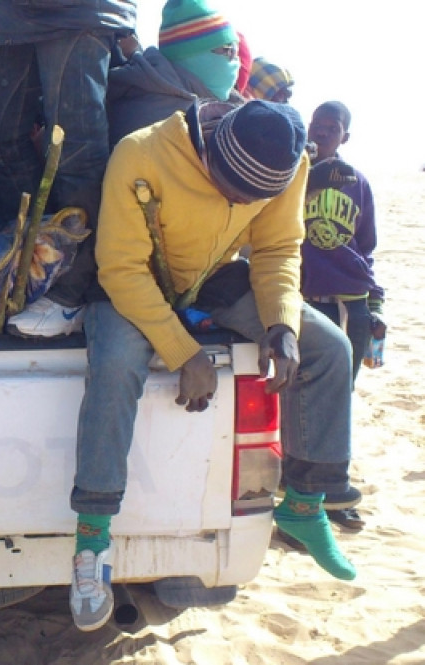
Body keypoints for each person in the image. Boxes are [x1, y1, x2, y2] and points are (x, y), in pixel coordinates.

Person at [69, 100, 357, 632]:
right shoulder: (143, 153)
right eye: (231, 189)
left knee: (329, 348)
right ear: (213, 149)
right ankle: (92, 540)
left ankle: (304, 502)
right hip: (132, 283)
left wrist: (282, 326)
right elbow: (121, 269)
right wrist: (186, 353)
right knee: (113, 365)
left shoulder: (289, 164)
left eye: (253, 197)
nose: (241, 201)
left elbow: (275, 249)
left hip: (212, 277)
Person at [0, 0, 136, 338]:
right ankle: (25, 271)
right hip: (1, 15)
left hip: (78, 12)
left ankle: (69, 292)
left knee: (76, 148)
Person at [301, 100, 384, 530]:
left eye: (332, 129)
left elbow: (365, 245)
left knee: (339, 400)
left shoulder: (358, 183)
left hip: (348, 301)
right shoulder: (294, 172)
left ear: (345, 137)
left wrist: (373, 304)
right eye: (317, 125)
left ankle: (335, 494)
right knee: (298, 398)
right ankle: (299, 495)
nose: (322, 134)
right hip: (305, 300)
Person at [106, 0, 242, 149]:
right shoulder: (165, 118)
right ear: (192, 57)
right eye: (228, 49)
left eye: (236, 50)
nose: (236, 60)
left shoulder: (210, 104)